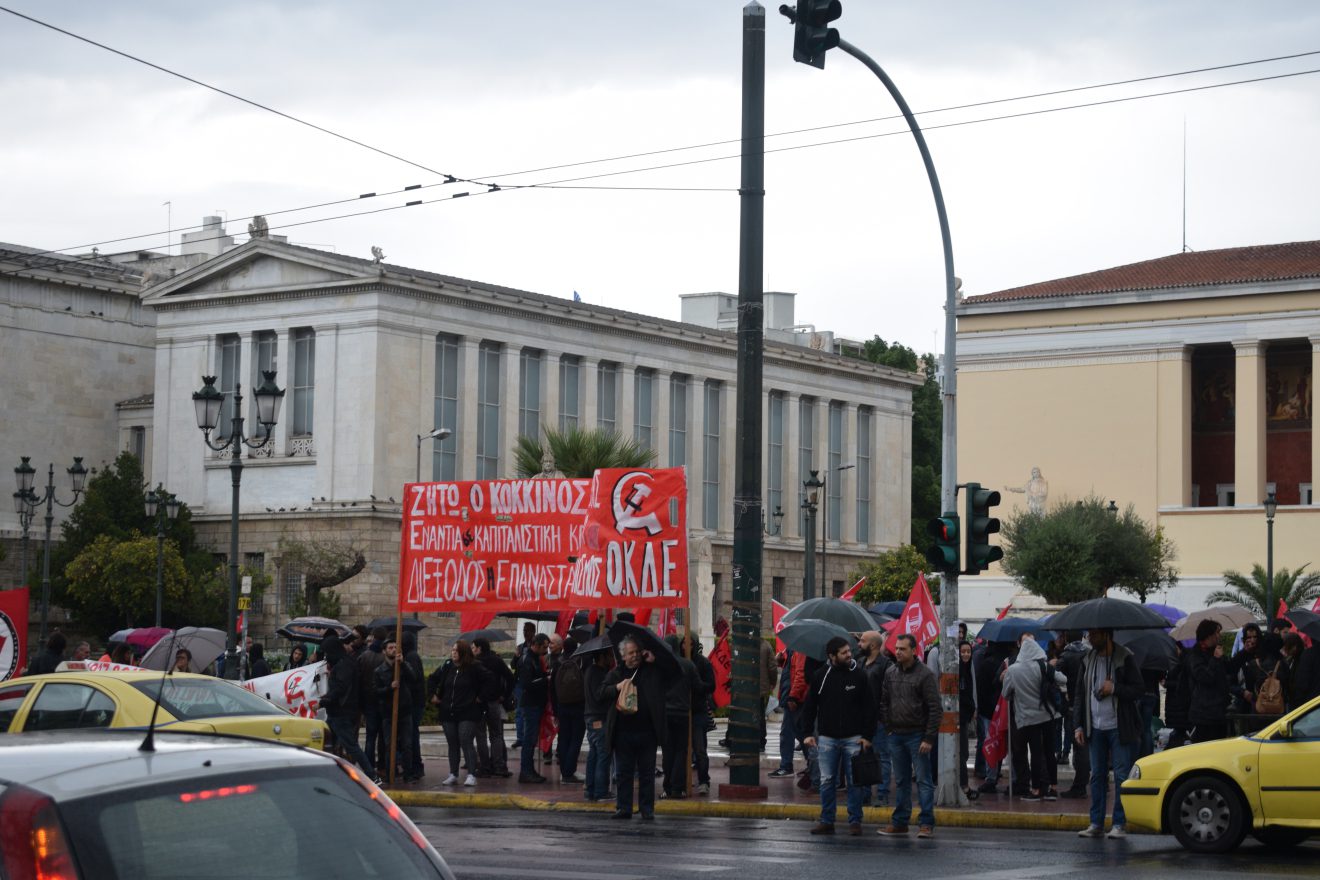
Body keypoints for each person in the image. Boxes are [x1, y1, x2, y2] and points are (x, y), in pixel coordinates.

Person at [798, 636, 874, 836]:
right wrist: (807, 733)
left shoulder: (859, 675)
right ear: (832, 656)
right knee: (826, 781)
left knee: (854, 781)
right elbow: (810, 706)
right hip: (827, 738)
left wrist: (867, 735)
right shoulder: (821, 676)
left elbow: (869, 708)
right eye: (844, 653)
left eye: (849, 651)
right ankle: (827, 820)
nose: (849, 655)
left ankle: (855, 821)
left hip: (854, 737)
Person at [1073, 627, 1142, 839]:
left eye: (1094, 634)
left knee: (1121, 775)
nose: (1090, 638)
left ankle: (1119, 823)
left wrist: (1115, 689)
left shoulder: (1124, 658)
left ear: (1106, 634)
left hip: (1118, 726)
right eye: (1089, 634)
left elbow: (1138, 689)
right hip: (1095, 726)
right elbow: (1079, 695)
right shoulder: (1087, 659)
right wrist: (1078, 725)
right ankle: (1096, 822)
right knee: (1097, 776)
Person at [599, 636, 675, 820]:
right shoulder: (616, 673)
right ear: (623, 655)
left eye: (637, 652)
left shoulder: (651, 671)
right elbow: (600, 693)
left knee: (647, 774)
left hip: (647, 733)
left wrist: (655, 660)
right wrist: (617, 687)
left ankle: (646, 809)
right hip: (623, 733)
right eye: (630, 653)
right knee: (623, 773)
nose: (634, 656)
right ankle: (624, 807)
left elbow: (673, 674)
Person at [880, 633, 940, 838]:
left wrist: (929, 738)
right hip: (895, 735)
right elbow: (884, 702)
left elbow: (934, 708)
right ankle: (900, 822)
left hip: (917, 735)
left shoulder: (925, 675)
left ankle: (926, 823)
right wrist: (888, 728)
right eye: (896, 648)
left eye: (902, 649)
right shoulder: (890, 673)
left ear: (913, 651)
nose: (897, 652)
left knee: (923, 780)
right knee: (902, 781)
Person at [1001, 634, 1065, 800]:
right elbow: (1063, 680)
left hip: (1028, 718)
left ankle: (1035, 790)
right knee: (1049, 752)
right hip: (1049, 715)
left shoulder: (1013, 671)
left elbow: (1005, 694)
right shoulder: (1044, 666)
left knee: (1035, 753)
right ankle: (1052, 788)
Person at [428, 639, 491, 787]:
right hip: (448, 711)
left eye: (456, 650)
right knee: (452, 742)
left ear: (463, 652)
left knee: (465, 739)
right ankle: (453, 773)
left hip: (468, 711)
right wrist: (432, 695)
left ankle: (471, 773)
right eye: (453, 650)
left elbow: (490, 680)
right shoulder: (448, 665)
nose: (453, 653)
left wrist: (480, 697)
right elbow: (432, 678)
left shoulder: (474, 667)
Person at [321, 634, 379, 783]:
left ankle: (372, 775)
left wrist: (323, 702)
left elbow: (340, 688)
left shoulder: (344, 665)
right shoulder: (344, 663)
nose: (326, 656)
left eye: (328, 652)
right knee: (327, 743)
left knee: (351, 746)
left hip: (341, 712)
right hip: (337, 712)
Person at [660, 634, 702, 799]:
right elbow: (698, 687)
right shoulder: (688, 664)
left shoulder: (662, 666)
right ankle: (677, 787)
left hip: (666, 713)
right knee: (680, 751)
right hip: (682, 713)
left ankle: (667, 787)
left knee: (668, 752)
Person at [373, 638, 418, 782]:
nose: (393, 650)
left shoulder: (403, 666)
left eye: (395, 647)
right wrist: (389, 688)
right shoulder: (379, 671)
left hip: (404, 711)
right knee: (389, 745)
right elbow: (375, 691)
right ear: (384, 651)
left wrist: (403, 664)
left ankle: (408, 774)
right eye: (390, 647)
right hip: (388, 712)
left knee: (407, 745)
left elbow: (414, 679)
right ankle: (389, 774)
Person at [473, 637, 515, 777]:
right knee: (496, 735)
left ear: (479, 648)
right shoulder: (496, 660)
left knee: (481, 735)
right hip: (494, 702)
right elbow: (510, 678)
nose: (472, 650)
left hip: (479, 702)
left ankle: (485, 767)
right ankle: (498, 766)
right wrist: (504, 695)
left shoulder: (474, 663)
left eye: (474, 648)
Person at [858, 630, 892, 806]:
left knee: (882, 756)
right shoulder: (860, 663)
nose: (859, 644)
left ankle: (882, 793)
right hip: (862, 719)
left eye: (862, 641)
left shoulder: (886, 665)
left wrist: (883, 716)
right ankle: (864, 794)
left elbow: (889, 694)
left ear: (873, 645)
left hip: (879, 720)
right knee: (864, 757)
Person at [582, 645, 616, 802]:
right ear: (602, 657)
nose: (612, 659)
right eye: (609, 655)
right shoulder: (597, 673)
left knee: (594, 754)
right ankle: (601, 791)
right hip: (598, 719)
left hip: (592, 717)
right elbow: (599, 695)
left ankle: (591, 789)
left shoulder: (591, 671)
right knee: (603, 754)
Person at [1187, 619, 1230, 743]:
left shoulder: (1215, 652)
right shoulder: (1195, 655)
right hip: (1203, 715)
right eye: (1217, 632)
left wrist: (1245, 653)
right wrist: (1215, 659)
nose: (1219, 636)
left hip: (1219, 712)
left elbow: (1229, 669)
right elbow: (1205, 677)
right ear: (1208, 635)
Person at [517, 633, 551, 783]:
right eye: (544, 647)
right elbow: (527, 684)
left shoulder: (536, 658)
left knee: (531, 739)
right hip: (530, 704)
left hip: (536, 703)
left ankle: (529, 770)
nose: (545, 650)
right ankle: (526, 771)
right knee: (528, 739)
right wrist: (545, 679)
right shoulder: (527, 660)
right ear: (535, 645)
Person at [553, 637, 587, 783]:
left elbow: (552, 688)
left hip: (562, 706)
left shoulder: (557, 662)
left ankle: (564, 771)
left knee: (564, 738)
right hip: (579, 706)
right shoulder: (580, 662)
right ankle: (569, 771)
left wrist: (555, 710)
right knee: (576, 738)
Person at [356, 627, 389, 772]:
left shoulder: (364, 656)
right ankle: (382, 764)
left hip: (368, 701)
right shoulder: (385, 658)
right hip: (383, 700)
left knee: (370, 736)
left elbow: (358, 678)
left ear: (374, 637)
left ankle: (368, 765)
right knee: (383, 736)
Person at [689, 636, 715, 795]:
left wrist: (697, 685)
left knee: (699, 749)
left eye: (690, 643)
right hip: (683, 712)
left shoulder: (703, 663)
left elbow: (711, 686)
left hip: (698, 712)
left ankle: (704, 780)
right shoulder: (679, 661)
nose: (687, 646)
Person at [401, 631, 426, 779]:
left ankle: (416, 766)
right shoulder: (412, 656)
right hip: (415, 702)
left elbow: (414, 678)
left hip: (414, 703)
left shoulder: (411, 657)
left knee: (412, 735)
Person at [1277, 632, 1319, 711]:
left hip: (1305, 704)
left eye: (1287, 648)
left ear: (1294, 647)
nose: (1285, 651)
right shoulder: (1294, 659)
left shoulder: (1306, 657)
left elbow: (1302, 683)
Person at [512, 622, 537, 749]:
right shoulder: (520, 647)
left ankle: (530, 737)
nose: (525, 633)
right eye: (524, 630)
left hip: (532, 684)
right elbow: (512, 665)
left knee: (529, 712)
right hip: (520, 683)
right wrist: (516, 657)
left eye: (527, 630)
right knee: (519, 712)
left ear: (533, 632)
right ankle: (520, 737)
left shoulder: (537, 647)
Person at [957, 640, 977, 791]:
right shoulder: (958, 670)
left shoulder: (970, 668)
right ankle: (963, 785)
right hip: (958, 717)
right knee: (962, 752)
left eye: (968, 652)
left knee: (963, 752)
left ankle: (963, 783)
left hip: (965, 717)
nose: (965, 654)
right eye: (963, 651)